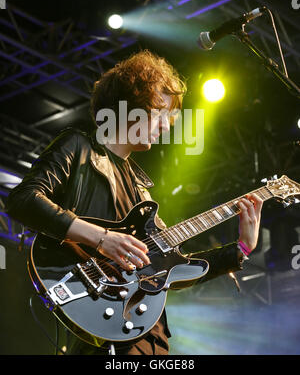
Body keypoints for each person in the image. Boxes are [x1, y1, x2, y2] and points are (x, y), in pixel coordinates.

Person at [7, 50, 263, 355]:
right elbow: (22, 199)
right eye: (161, 114)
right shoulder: (79, 147)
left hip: (150, 334)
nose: (167, 127)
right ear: (129, 108)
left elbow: (172, 271)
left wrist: (241, 249)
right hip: (102, 323)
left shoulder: (142, 190)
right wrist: (102, 239)